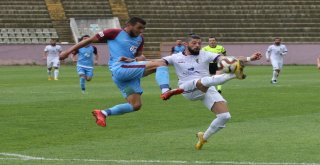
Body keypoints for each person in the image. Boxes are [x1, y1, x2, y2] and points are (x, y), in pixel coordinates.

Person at [60, 17, 183, 127]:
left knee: (135, 105)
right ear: (129, 25)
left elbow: (141, 57)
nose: (141, 31)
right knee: (160, 63)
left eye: (143, 29)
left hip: (125, 76)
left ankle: (102, 113)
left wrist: (134, 59)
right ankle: (166, 91)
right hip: (120, 69)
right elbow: (89, 40)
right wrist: (67, 52)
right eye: (139, 28)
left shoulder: (140, 39)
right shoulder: (113, 33)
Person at [162, 35, 261, 150]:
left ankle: (203, 137)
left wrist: (249, 58)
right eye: (194, 43)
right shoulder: (175, 57)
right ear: (186, 44)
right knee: (204, 80)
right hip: (187, 89)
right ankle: (234, 75)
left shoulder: (205, 54)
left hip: (207, 88)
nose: (197, 45)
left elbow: (226, 59)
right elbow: (159, 62)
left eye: (199, 43)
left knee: (224, 116)